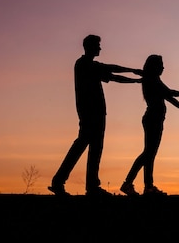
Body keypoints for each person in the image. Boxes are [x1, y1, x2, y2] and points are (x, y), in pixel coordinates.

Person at [48, 34, 142, 196]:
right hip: (91, 113)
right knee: (85, 146)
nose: (100, 48)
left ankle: (84, 185)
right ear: (90, 47)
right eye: (97, 45)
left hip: (95, 112)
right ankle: (71, 183)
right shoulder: (84, 64)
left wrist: (134, 79)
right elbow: (111, 69)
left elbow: (113, 76)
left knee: (92, 147)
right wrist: (133, 72)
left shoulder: (89, 65)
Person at [120, 54, 179, 196]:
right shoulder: (152, 80)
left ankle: (147, 187)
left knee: (149, 154)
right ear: (154, 66)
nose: (163, 67)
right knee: (148, 153)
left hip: (155, 119)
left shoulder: (154, 80)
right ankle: (129, 183)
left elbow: (169, 97)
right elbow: (170, 93)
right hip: (153, 119)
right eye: (160, 64)